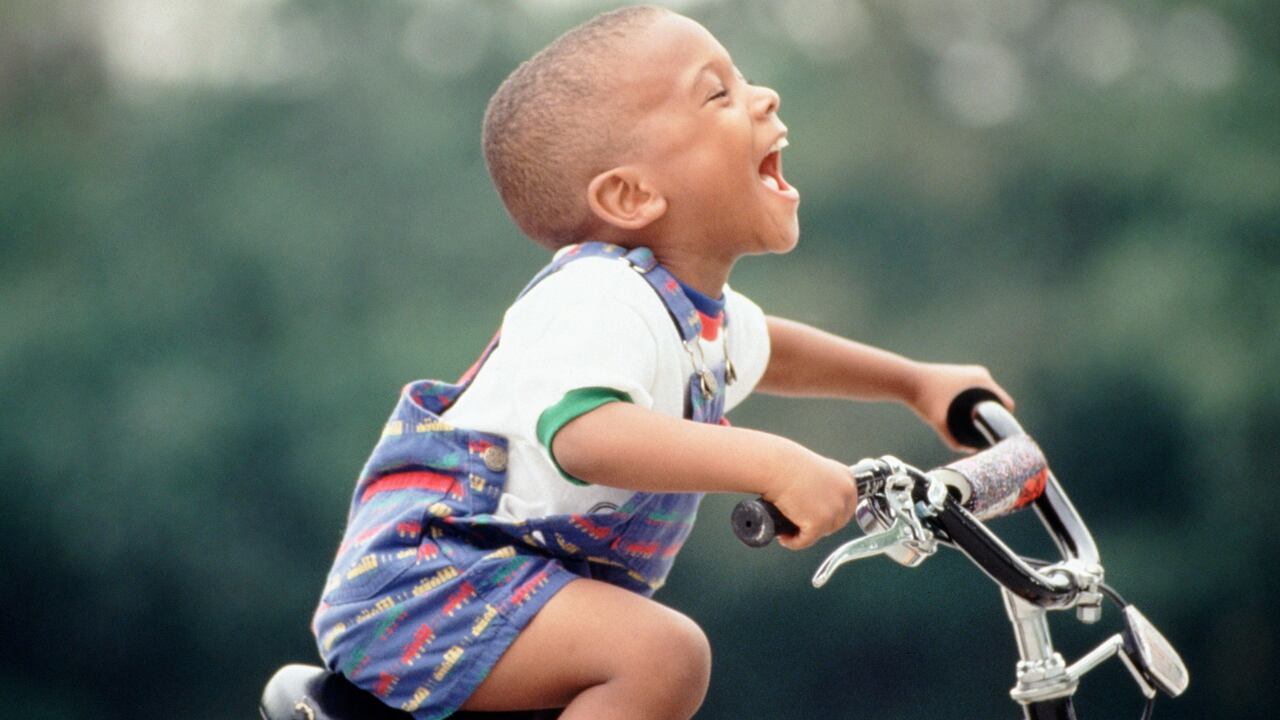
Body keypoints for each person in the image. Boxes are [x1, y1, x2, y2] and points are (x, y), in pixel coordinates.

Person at [311, 6, 1014, 720]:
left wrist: (914, 382)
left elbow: (771, 349)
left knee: (655, 653)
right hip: (424, 590)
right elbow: (585, 435)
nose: (764, 96)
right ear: (632, 195)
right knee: (663, 656)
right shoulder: (596, 294)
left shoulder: (686, 314)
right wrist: (774, 463)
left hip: (508, 593)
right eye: (718, 93)